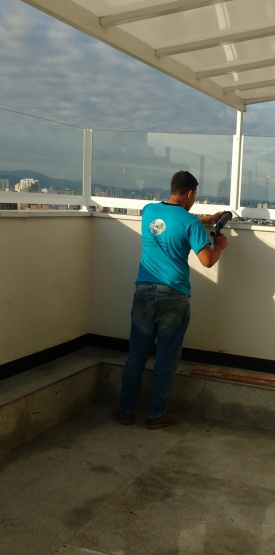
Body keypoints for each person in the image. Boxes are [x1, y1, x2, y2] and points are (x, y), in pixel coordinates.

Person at [114, 170, 228, 429]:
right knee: (166, 358)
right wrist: (219, 245)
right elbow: (207, 261)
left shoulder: (149, 211)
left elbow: (172, 220)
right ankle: (155, 415)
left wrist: (205, 219)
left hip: (144, 292)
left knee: (136, 355)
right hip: (173, 296)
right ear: (190, 193)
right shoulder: (191, 224)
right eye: (195, 195)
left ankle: (126, 410)